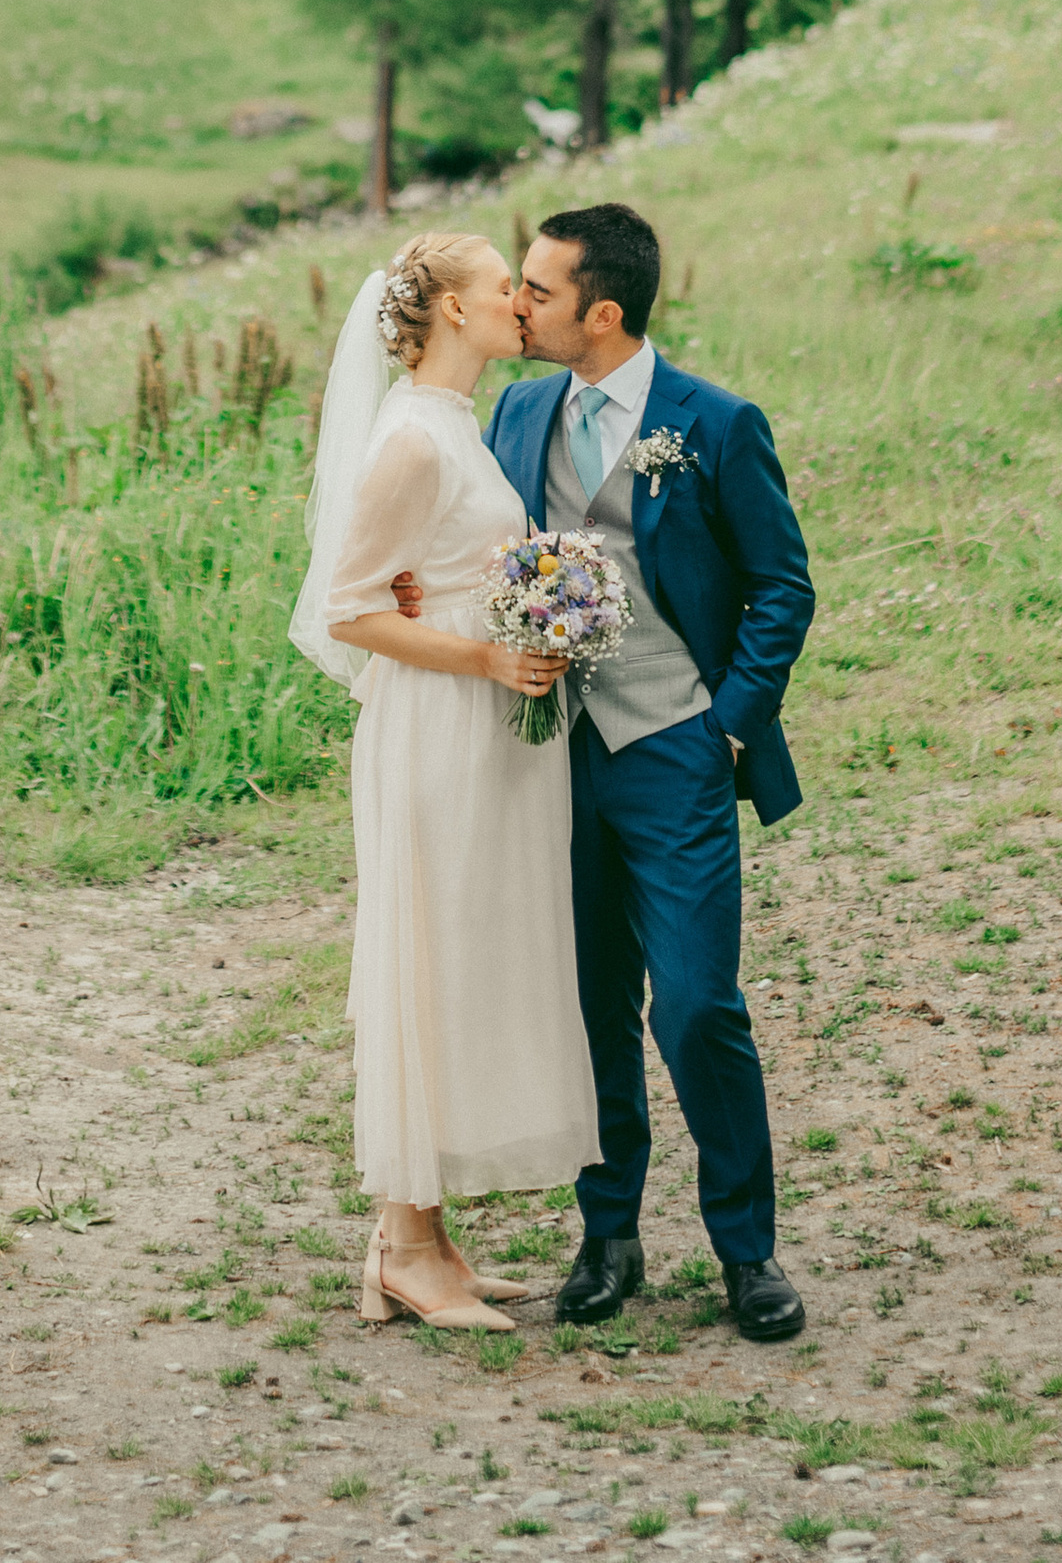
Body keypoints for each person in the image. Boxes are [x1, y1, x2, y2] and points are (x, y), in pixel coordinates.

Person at [485, 199, 816, 1344]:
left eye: (536, 288)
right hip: (551, 758)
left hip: (672, 747)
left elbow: (783, 586)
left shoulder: (714, 423)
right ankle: (607, 1236)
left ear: (602, 310)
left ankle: (746, 1252)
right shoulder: (517, 411)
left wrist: (725, 725)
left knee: (695, 1005)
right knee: (588, 1009)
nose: (516, 304)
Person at [290, 231, 600, 1334]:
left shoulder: (457, 428)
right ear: (455, 313)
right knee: (425, 954)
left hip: (485, 727)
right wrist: (479, 654)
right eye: (499, 288)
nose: (522, 302)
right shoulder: (413, 440)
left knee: (466, 954)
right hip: (436, 727)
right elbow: (349, 608)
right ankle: (403, 1247)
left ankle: (428, 1241)